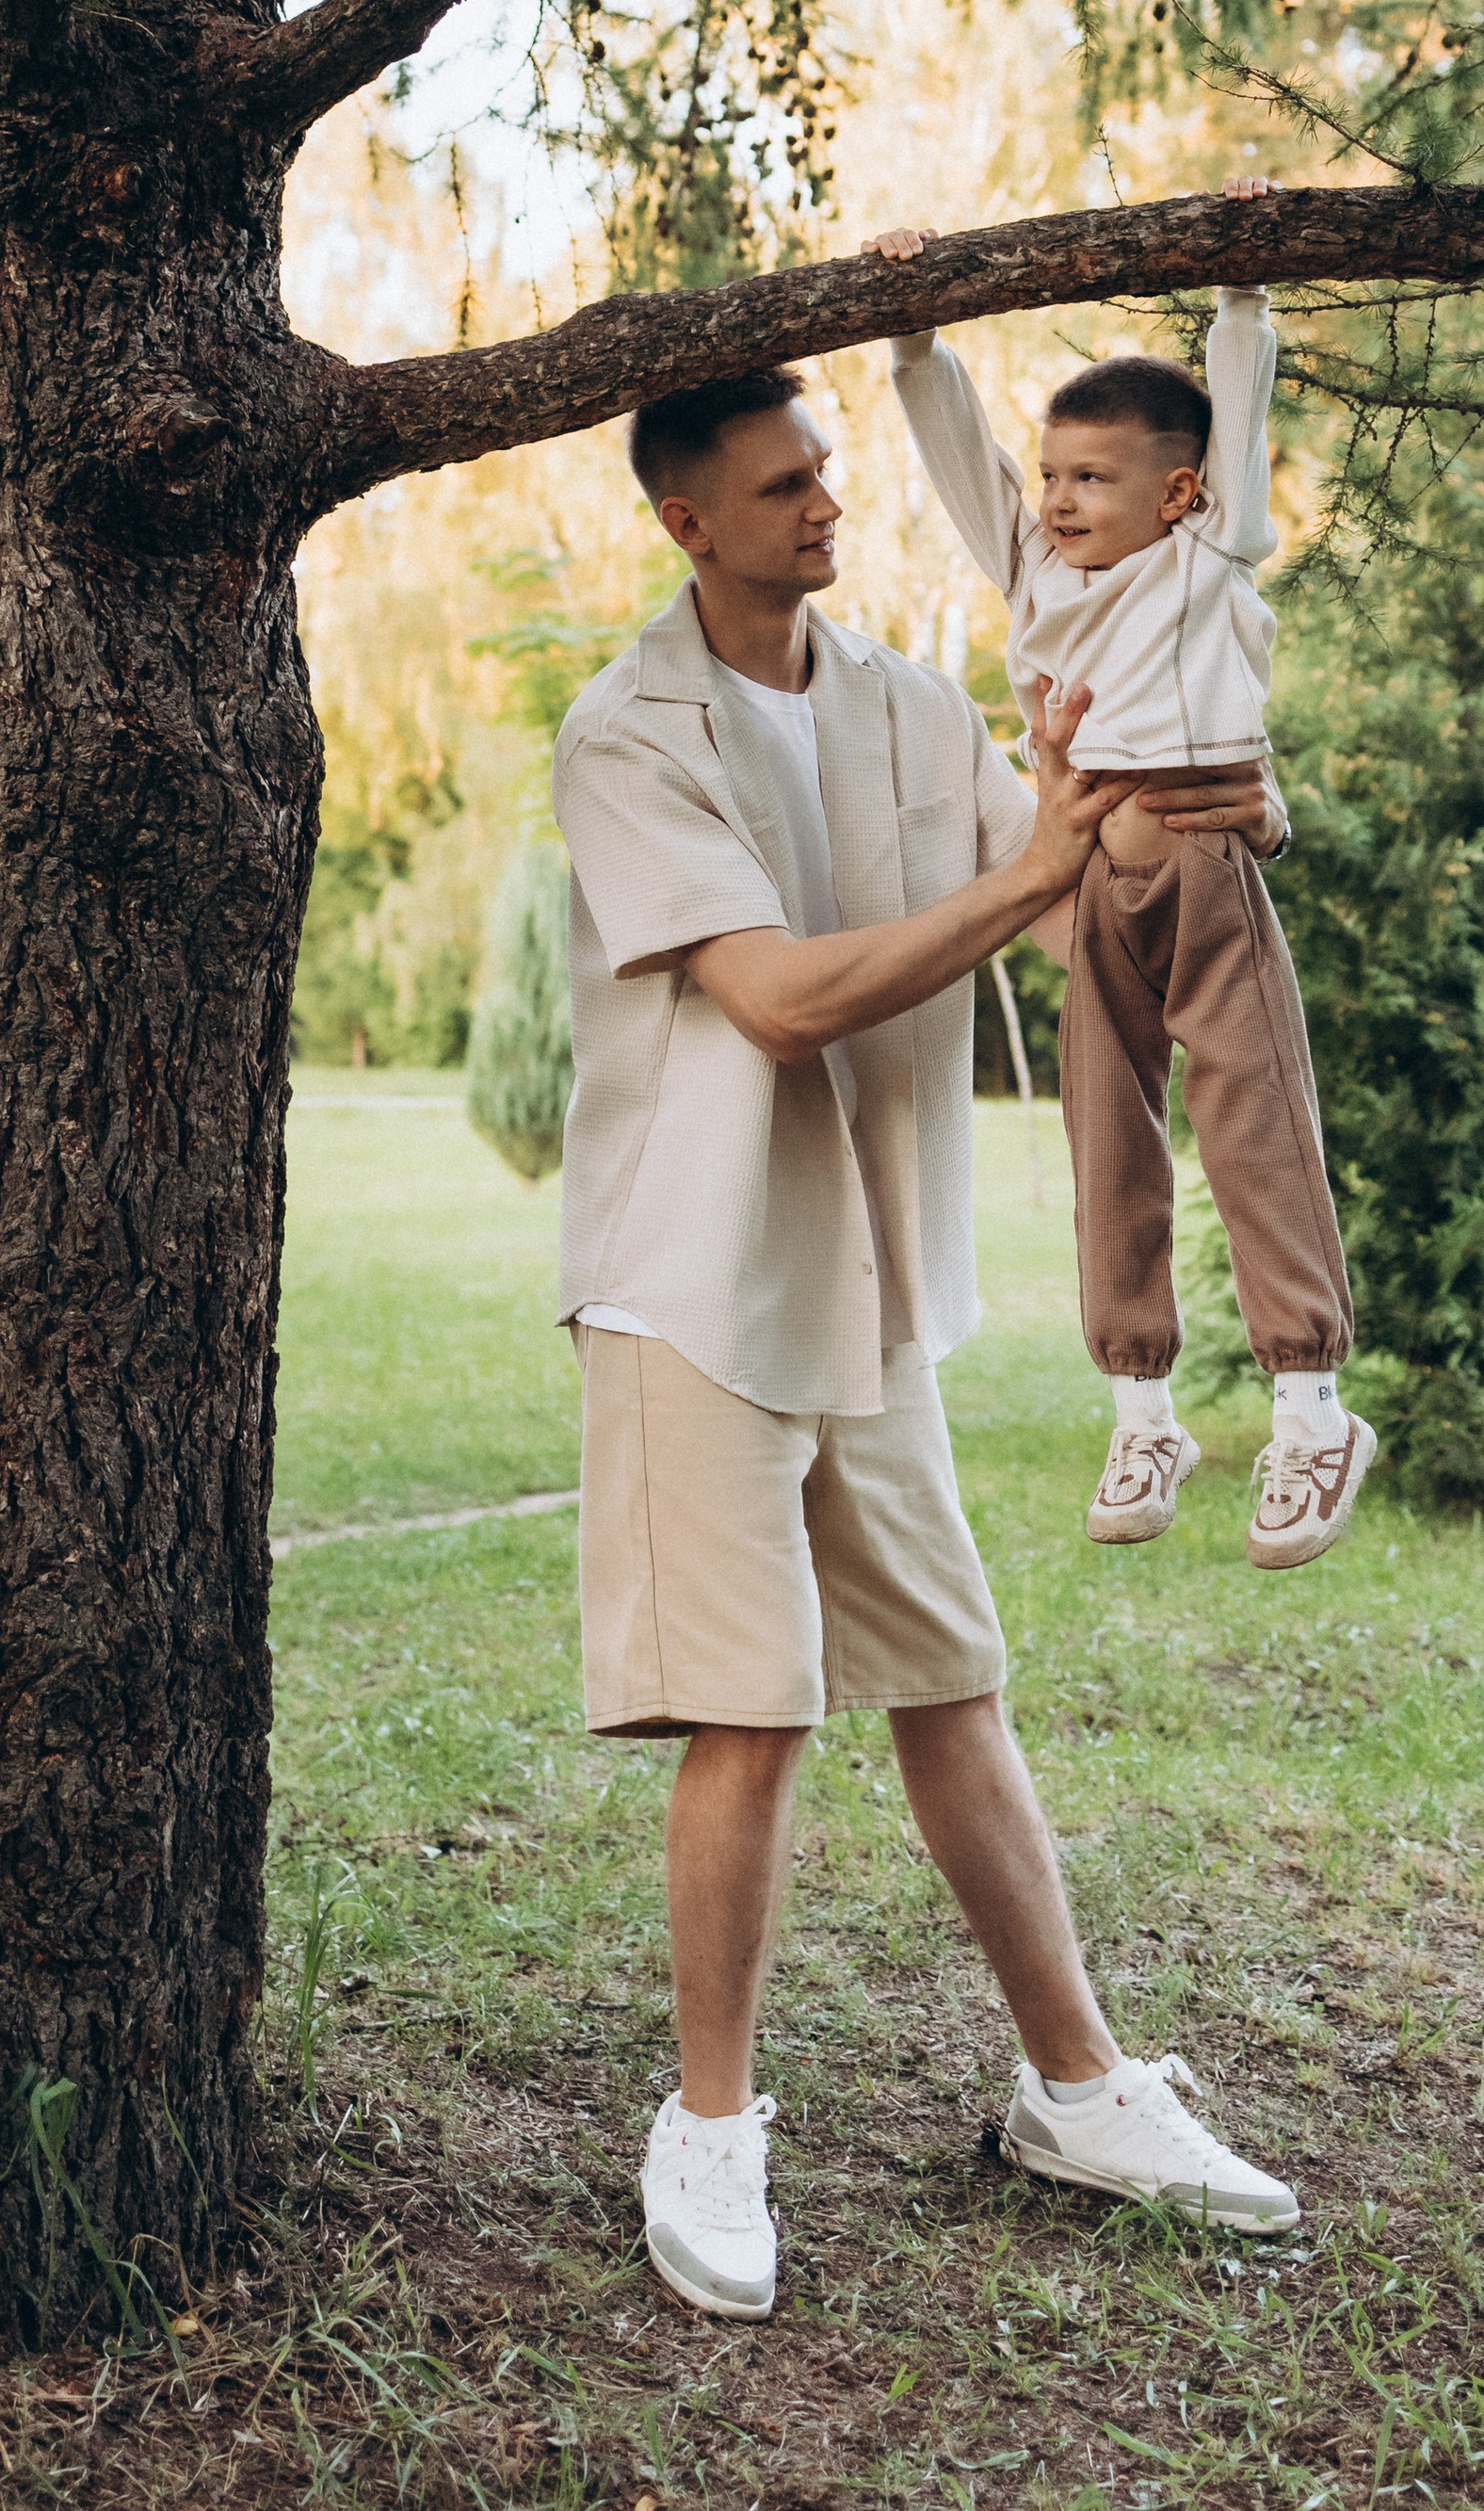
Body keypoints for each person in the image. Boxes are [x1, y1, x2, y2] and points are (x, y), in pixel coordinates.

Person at [552, 363, 1303, 2325]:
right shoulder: (625, 731)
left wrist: (1195, 804)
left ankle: (1077, 2087)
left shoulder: (896, 699)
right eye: (784, 487)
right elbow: (783, 1003)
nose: (826, 507)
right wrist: (1035, 868)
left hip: (864, 1290)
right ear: (683, 522)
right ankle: (709, 2124)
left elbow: (1084, 889)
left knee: (950, 1681)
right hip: (694, 1285)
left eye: (824, 476)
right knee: (754, 1709)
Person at [866, 208, 1373, 1573]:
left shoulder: (1209, 558)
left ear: (1182, 494)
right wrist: (914, 333)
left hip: (1207, 886)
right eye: (1054, 473)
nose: (1059, 498)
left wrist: (1244, 295)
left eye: (1093, 476)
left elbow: (1244, 421)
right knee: (1109, 1143)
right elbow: (960, 462)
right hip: (1092, 890)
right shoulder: (1037, 567)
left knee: (1253, 1128)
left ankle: (1313, 1410)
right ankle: (1142, 1410)